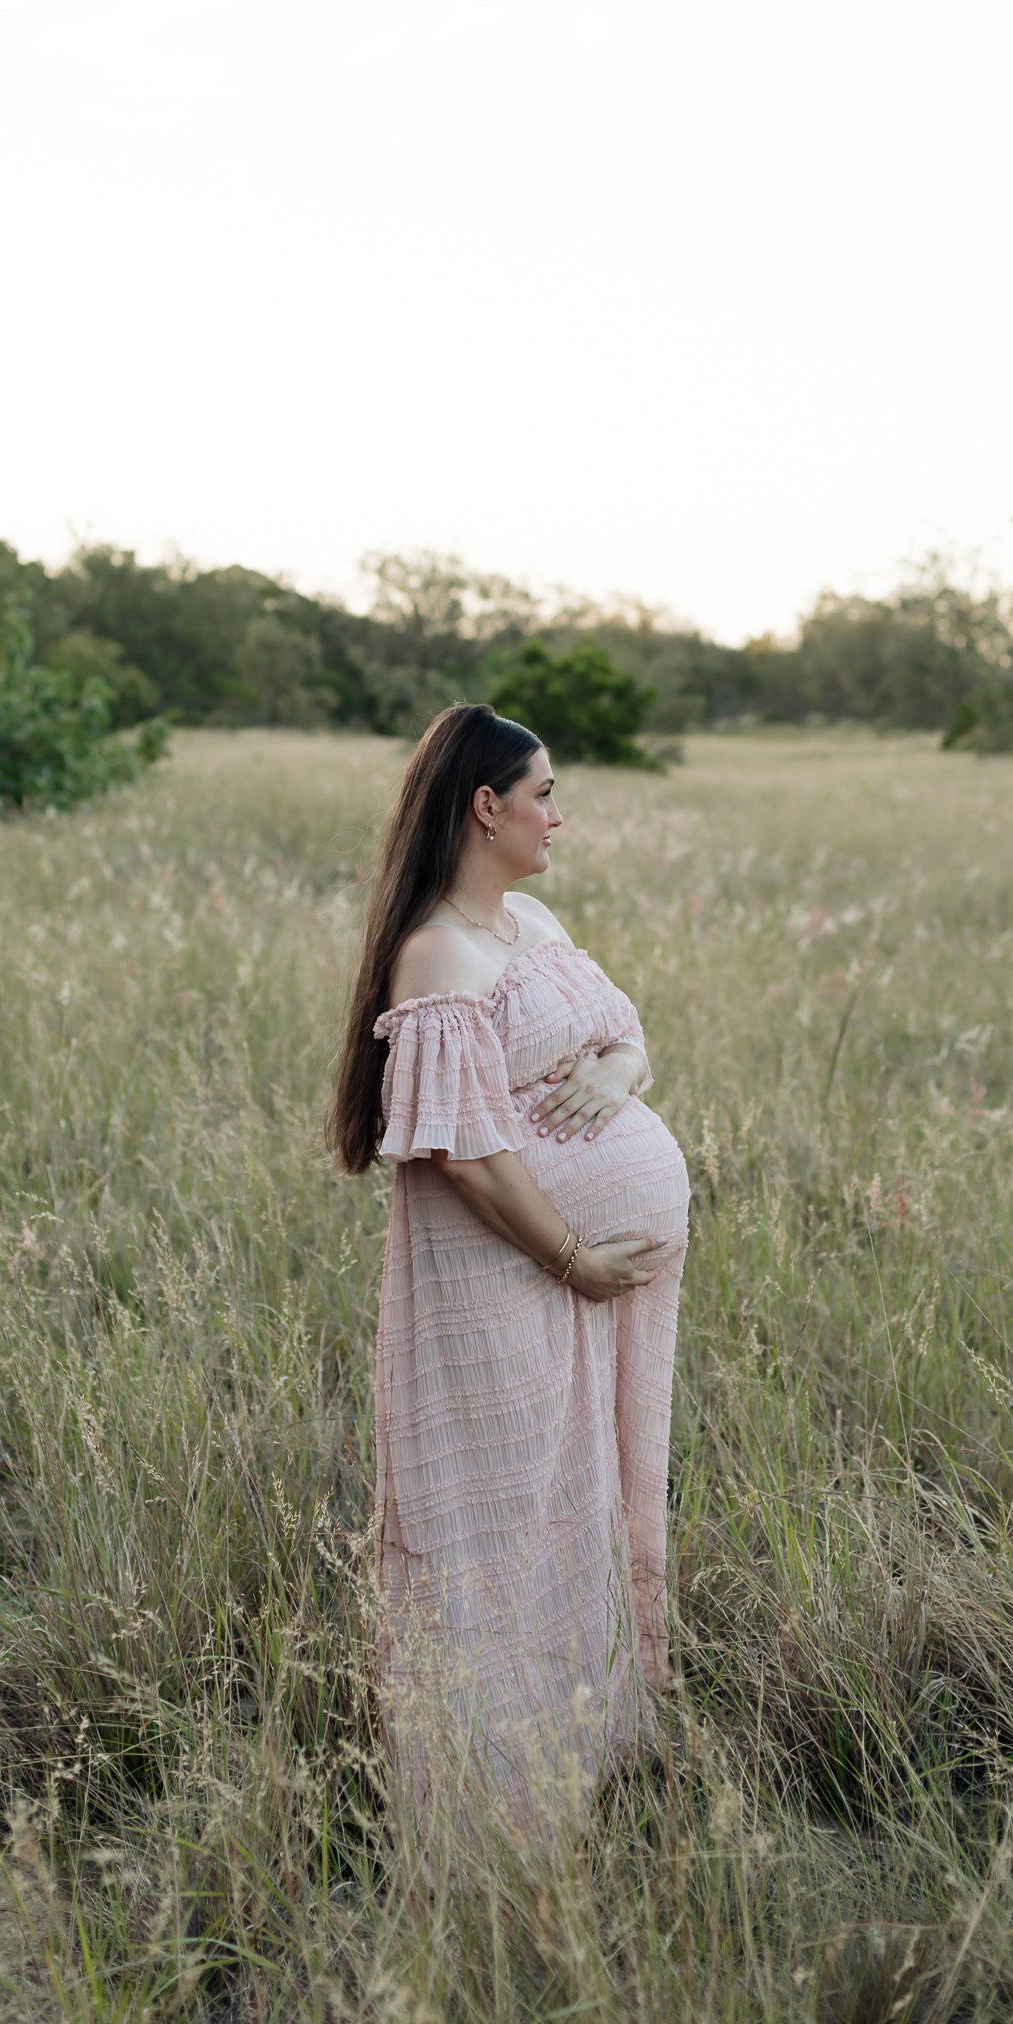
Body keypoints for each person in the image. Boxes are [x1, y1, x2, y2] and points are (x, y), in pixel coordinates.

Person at [328, 702, 692, 1848]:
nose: (556, 814)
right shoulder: (434, 951)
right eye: (540, 793)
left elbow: (623, 1029)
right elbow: (470, 1155)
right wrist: (576, 1255)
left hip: (588, 1296)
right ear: (484, 806)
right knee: (504, 1526)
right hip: (505, 1289)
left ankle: (579, 1755)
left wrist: (620, 1071)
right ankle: (489, 1816)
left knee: (585, 1504)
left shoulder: (530, 919)